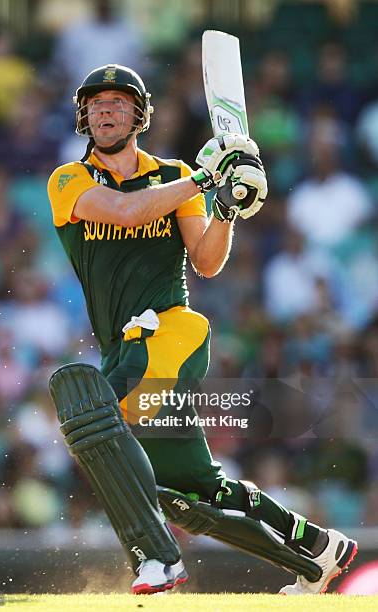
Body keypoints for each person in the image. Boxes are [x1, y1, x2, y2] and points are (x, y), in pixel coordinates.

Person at [47, 64, 357, 595]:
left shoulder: (174, 176)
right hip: (126, 348)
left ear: (139, 114)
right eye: (97, 103)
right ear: (83, 115)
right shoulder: (69, 180)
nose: (106, 110)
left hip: (173, 332)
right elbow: (123, 212)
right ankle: (319, 551)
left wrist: (230, 207)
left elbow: (208, 261)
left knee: (93, 418)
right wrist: (207, 179)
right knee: (190, 491)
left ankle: (158, 561)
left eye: (119, 102)